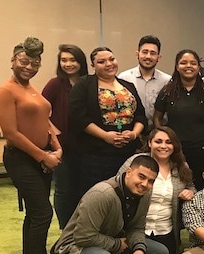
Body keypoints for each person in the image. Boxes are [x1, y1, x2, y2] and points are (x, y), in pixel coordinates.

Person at [0, 36, 63, 254]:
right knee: (43, 213)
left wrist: (56, 146)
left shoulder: (32, 90)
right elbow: (10, 133)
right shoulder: (6, 91)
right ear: (13, 61)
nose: (29, 67)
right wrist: (42, 156)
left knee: (34, 214)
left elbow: (46, 122)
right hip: (21, 158)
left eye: (35, 63)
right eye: (24, 61)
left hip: (41, 156)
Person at [69, 46, 146, 202]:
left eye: (111, 59)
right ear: (93, 65)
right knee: (97, 196)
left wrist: (134, 134)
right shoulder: (84, 84)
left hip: (128, 151)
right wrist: (105, 136)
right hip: (95, 152)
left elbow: (140, 115)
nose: (109, 64)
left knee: (126, 194)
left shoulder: (127, 85)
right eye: (101, 61)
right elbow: (78, 117)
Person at [118, 127, 195, 254]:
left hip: (165, 229)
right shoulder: (136, 161)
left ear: (174, 145)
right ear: (150, 143)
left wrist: (190, 192)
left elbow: (191, 187)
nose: (163, 146)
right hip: (136, 228)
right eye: (158, 141)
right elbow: (118, 185)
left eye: (168, 142)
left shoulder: (181, 166)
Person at [153, 49, 204, 189]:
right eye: (183, 63)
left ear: (199, 67)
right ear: (177, 67)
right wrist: (165, 140)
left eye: (193, 63)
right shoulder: (167, 91)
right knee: (175, 187)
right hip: (173, 151)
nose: (188, 66)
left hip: (201, 151)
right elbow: (157, 117)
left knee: (200, 188)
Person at [42, 44, 88, 228]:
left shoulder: (88, 83)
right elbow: (41, 112)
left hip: (86, 145)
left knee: (84, 188)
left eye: (73, 60)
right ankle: (65, 230)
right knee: (64, 190)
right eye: (64, 60)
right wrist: (54, 132)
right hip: (62, 147)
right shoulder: (55, 84)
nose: (68, 64)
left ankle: (83, 227)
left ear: (81, 62)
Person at [117, 35, 171, 133]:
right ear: (137, 54)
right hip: (132, 132)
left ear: (159, 57)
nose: (148, 56)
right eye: (145, 52)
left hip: (160, 133)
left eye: (153, 53)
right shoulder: (124, 78)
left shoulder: (167, 81)